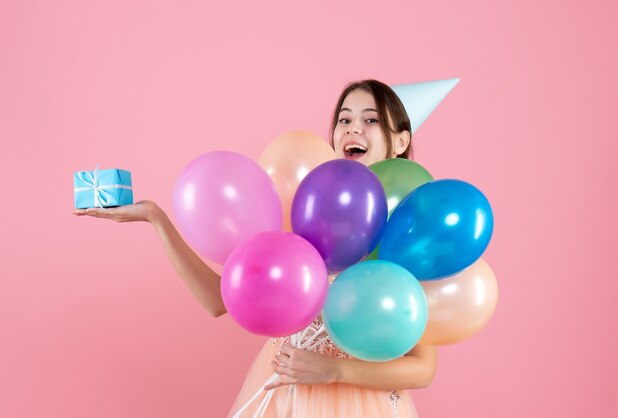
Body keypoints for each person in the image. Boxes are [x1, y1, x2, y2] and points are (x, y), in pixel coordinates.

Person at [74, 79, 437, 417]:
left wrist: (334, 370)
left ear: (401, 141)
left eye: (370, 119)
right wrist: (156, 218)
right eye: (344, 119)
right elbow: (220, 300)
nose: (352, 128)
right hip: (286, 397)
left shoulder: (410, 234)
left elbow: (422, 367)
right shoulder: (303, 217)